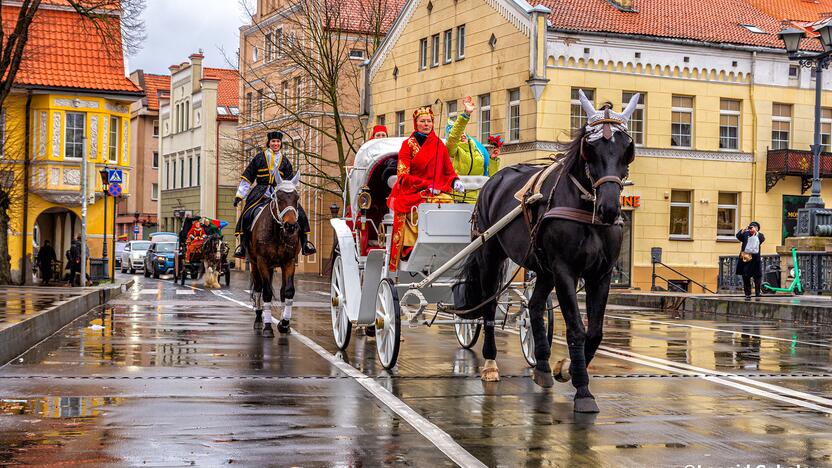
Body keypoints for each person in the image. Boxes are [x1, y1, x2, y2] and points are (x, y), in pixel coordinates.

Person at [387, 106, 462, 271]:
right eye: (422, 121)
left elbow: (448, 170)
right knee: (419, 209)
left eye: (429, 121)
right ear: (416, 123)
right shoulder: (407, 145)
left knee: (447, 201)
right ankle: (410, 246)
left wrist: (455, 181)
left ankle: (446, 245)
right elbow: (403, 175)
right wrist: (426, 185)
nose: (426, 124)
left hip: (436, 191)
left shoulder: (439, 145)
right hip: (413, 191)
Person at [233, 130, 316, 258]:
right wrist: (239, 195)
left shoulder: (285, 161)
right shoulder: (259, 157)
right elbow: (248, 177)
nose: (275, 144)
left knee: (301, 214)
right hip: (261, 192)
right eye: (273, 141)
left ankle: (305, 244)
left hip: (281, 194)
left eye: (278, 141)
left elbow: (290, 181)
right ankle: (242, 246)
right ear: (269, 143)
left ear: (280, 143)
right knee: (247, 214)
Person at [445, 96, 501, 203]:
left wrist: (493, 160)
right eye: (458, 133)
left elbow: (490, 177)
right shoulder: (452, 151)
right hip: (455, 200)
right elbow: (454, 136)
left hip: (475, 202)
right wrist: (466, 114)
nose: (461, 134)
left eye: (463, 132)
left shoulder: (478, 149)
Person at [736, 221, 765, 299]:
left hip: (755, 259)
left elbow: (762, 240)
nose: (752, 228)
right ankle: (747, 293)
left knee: (757, 276)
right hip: (746, 258)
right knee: (745, 276)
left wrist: (756, 232)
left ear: (757, 228)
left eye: (754, 227)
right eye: (751, 227)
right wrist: (744, 230)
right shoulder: (745, 234)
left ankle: (758, 292)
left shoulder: (760, 235)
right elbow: (738, 236)